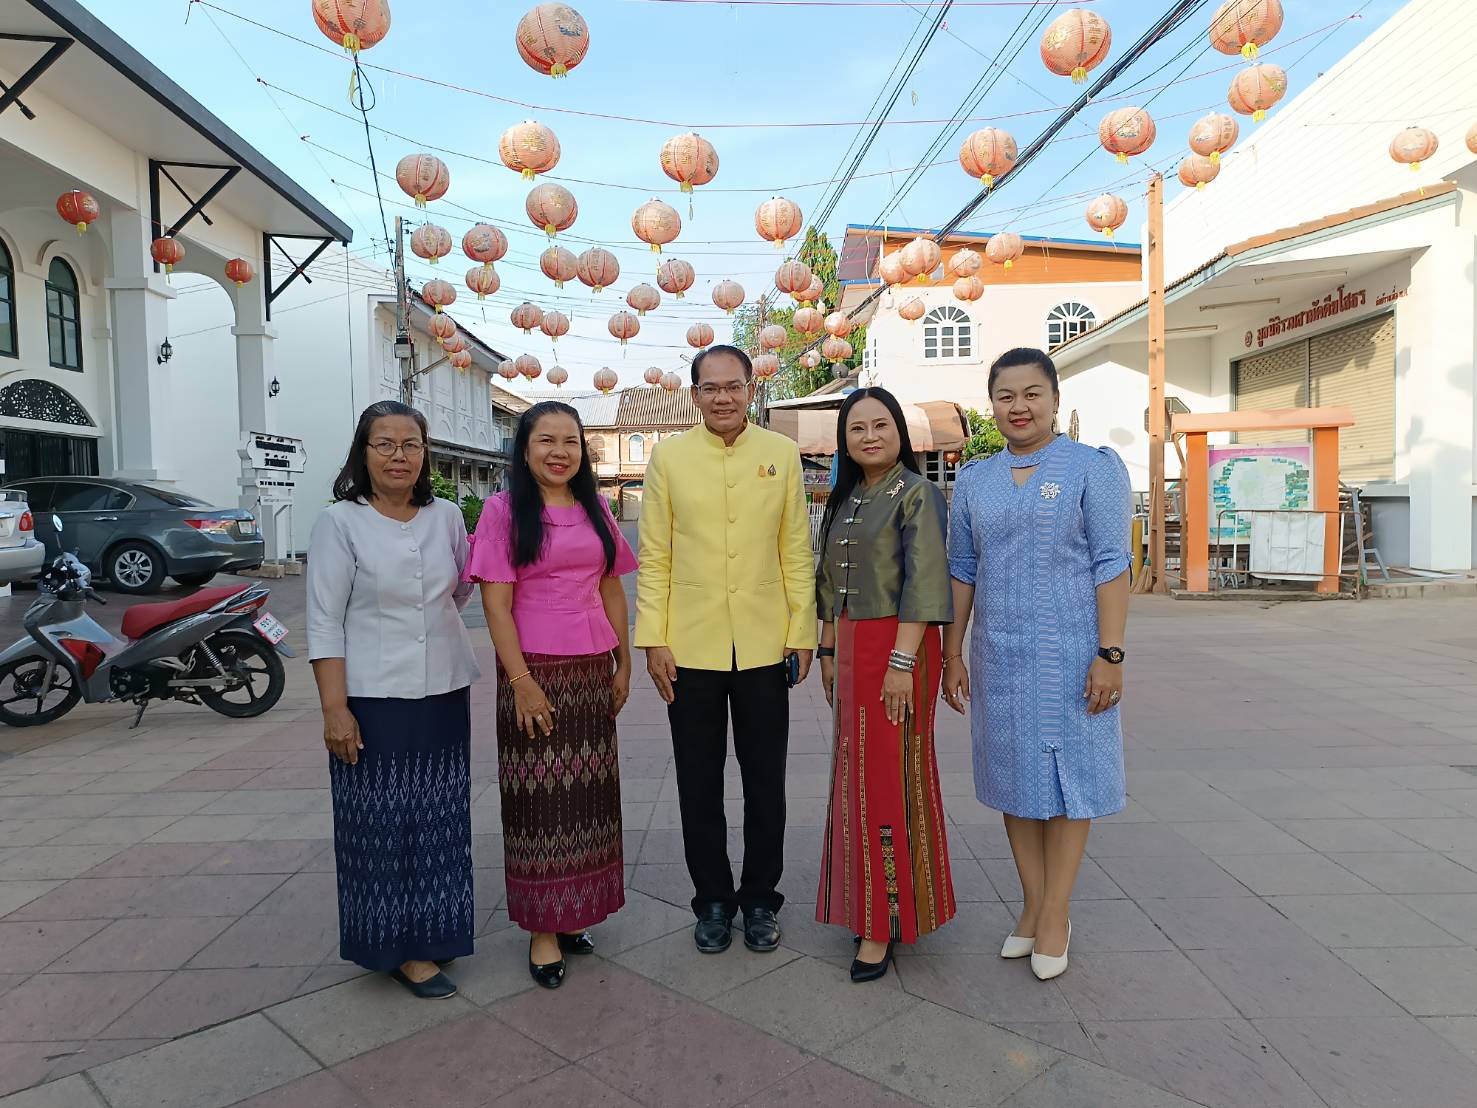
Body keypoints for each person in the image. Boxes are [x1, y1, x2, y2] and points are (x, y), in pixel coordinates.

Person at [942, 348, 1131, 982]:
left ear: (1054, 399)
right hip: (1000, 655)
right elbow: (962, 572)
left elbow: (1111, 563)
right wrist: (952, 653)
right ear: (991, 404)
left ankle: (1055, 913)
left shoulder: (1091, 469)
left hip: (1075, 655)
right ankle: (1031, 903)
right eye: (1006, 396)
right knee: (1014, 781)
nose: (1019, 407)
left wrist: (1110, 653)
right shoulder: (975, 480)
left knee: (1070, 782)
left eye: (1031, 394)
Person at [635, 344, 816, 954]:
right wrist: (654, 637)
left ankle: (761, 897)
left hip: (765, 644)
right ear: (695, 395)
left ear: (750, 389)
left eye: (733, 386)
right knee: (698, 780)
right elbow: (655, 554)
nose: (722, 397)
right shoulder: (669, 457)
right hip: (689, 647)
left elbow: (796, 548)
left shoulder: (780, 454)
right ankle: (712, 898)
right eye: (710, 388)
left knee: (766, 779)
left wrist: (801, 632)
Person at [307, 400, 479, 1000]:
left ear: (425, 453)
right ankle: (394, 947)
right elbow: (324, 620)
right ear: (363, 452)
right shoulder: (339, 523)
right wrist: (335, 709)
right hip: (372, 698)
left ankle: (435, 933)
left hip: (443, 690)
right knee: (378, 823)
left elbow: (458, 591)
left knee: (439, 819)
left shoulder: (446, 517)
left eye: (411, 444)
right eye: (385, 444)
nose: (398, 455)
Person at [465, 401, 638, 989]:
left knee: (587, 796)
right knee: (538, 801)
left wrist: (623, 660)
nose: (559, 452)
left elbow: (611, 586)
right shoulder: (503, 510)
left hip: (590, 667)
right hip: (533, 669)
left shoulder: (596, 508)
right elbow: (496, 604)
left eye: (570, 441)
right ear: (524, 448)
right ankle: (542, 928)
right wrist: (520, 683)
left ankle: (575, 912)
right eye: (546, 440)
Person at [815, 388, 956, 984]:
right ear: (844, 441)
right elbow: (827, 582)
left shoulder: (917, 494)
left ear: (899, 431)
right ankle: (865, 902)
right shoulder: (846, 499)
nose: (869, 437)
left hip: (900, 646)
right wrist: (827, 650)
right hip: (852, 647)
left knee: (888, 777)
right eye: (857, 429)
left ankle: (886, 918)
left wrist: (902, 662)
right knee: (854, 775)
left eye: (880, 425)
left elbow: (926, 581)